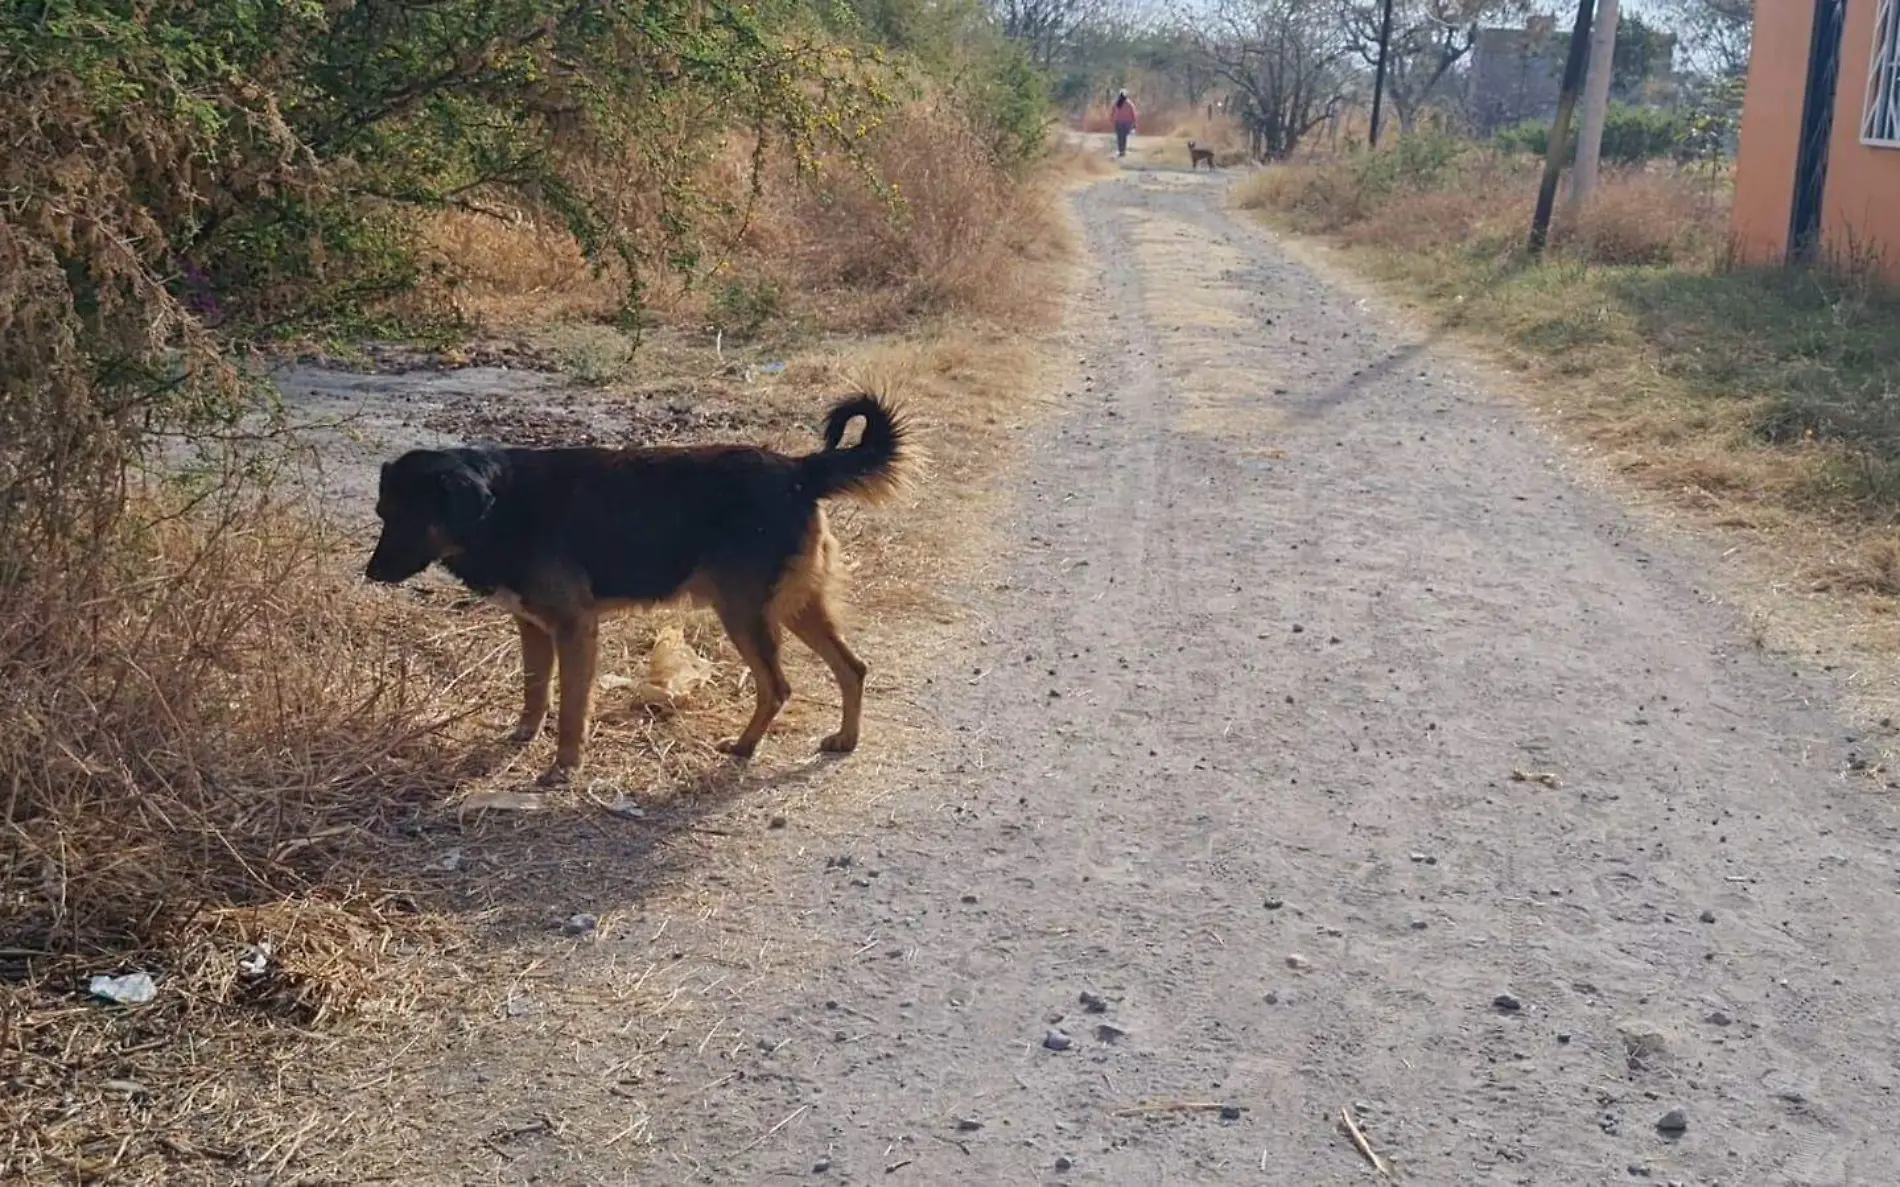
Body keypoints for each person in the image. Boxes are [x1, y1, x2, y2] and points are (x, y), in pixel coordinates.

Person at [1111, 90, 1137, 158]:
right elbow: (1133, 113)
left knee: (1119, 137)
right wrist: (1134, 123)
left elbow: (1112, 112)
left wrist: (1112, 119)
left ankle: (1121, 150)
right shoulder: (1129, 104)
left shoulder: (1117, 103)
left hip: (1118, 122)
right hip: (1127, 123)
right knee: (1124, 137)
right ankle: (1123, 151)